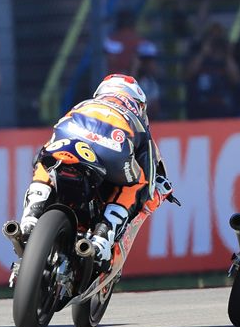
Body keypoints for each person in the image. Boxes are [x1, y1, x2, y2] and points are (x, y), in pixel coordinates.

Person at [16, 74, 171, 262]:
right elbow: (149, 176)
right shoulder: (137, 122)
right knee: (136, 184)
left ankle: (32, 213)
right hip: (113, 147)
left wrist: (42, 160)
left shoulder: (84, 104)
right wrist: (154, 192)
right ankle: (103, 236)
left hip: (71, 134)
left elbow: (44, 150)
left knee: (47, 161)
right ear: (139, 104)